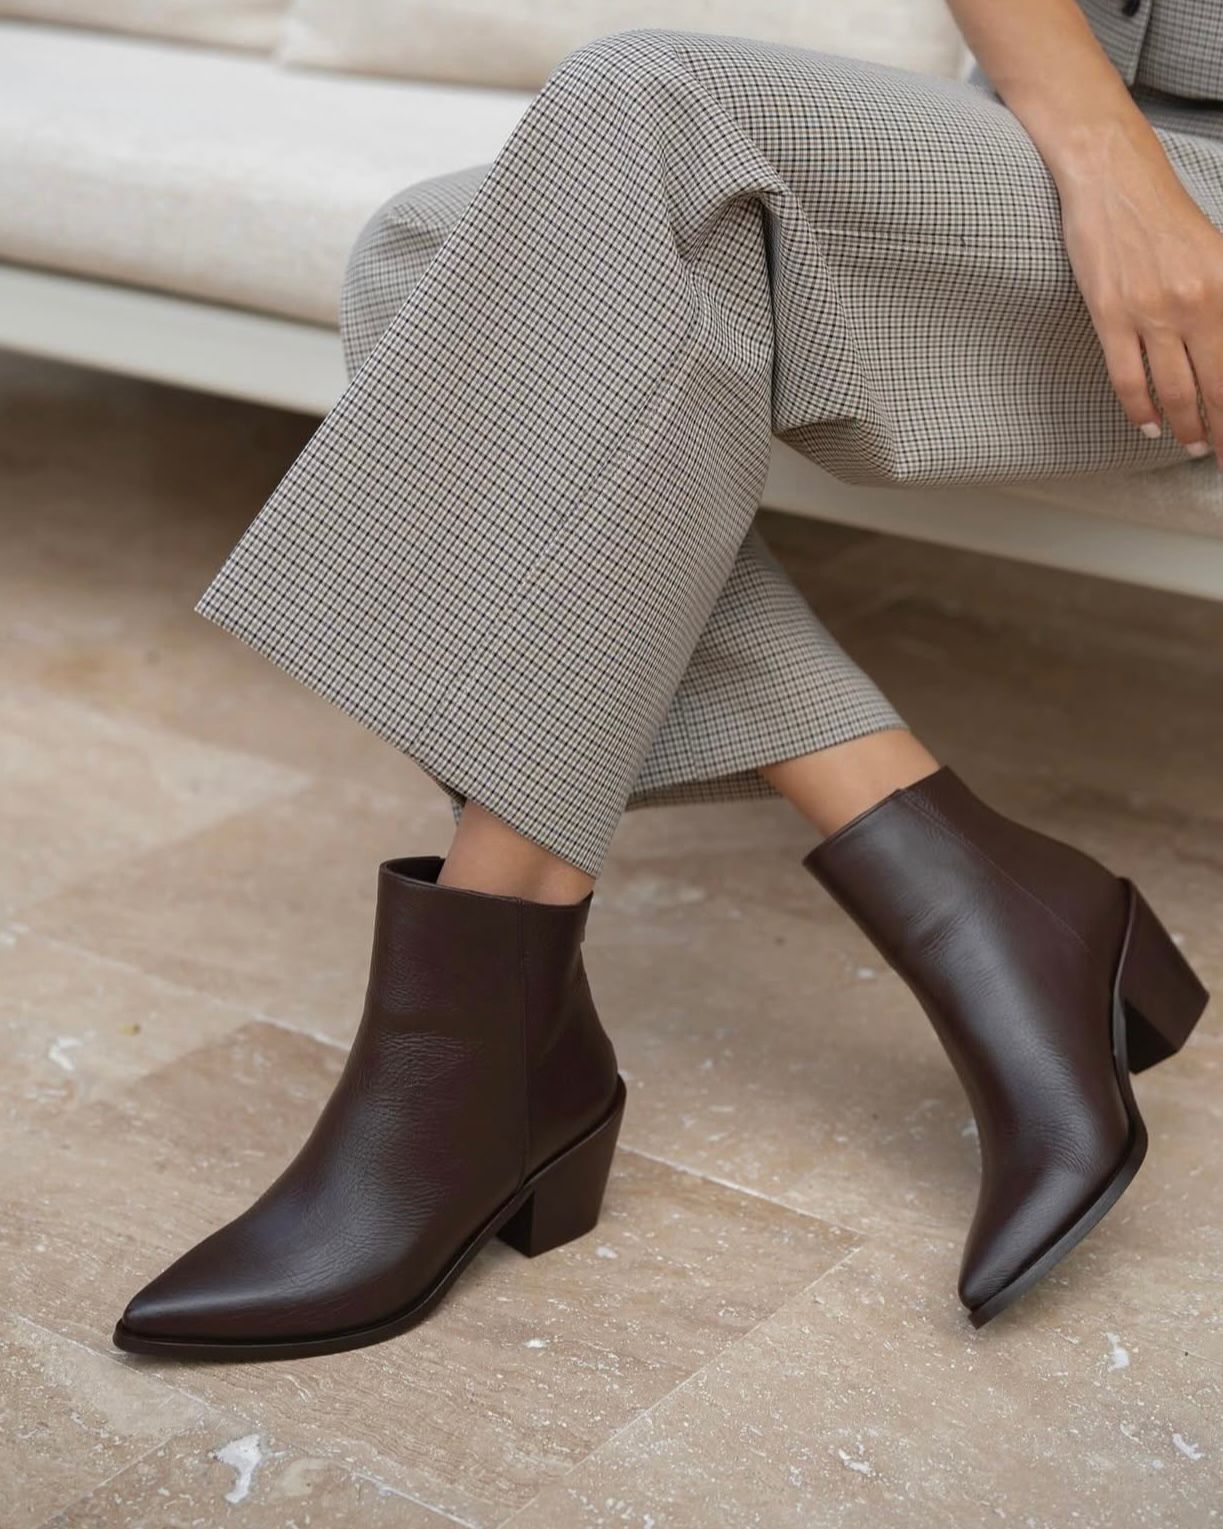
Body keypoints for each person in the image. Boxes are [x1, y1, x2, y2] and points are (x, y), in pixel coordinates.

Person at [113, 0, 1216, 1359]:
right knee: (436, 255)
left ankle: (491, 1055)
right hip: (1067, 149)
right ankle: (965, 882)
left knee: (642, 103)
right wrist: (1109, 165)